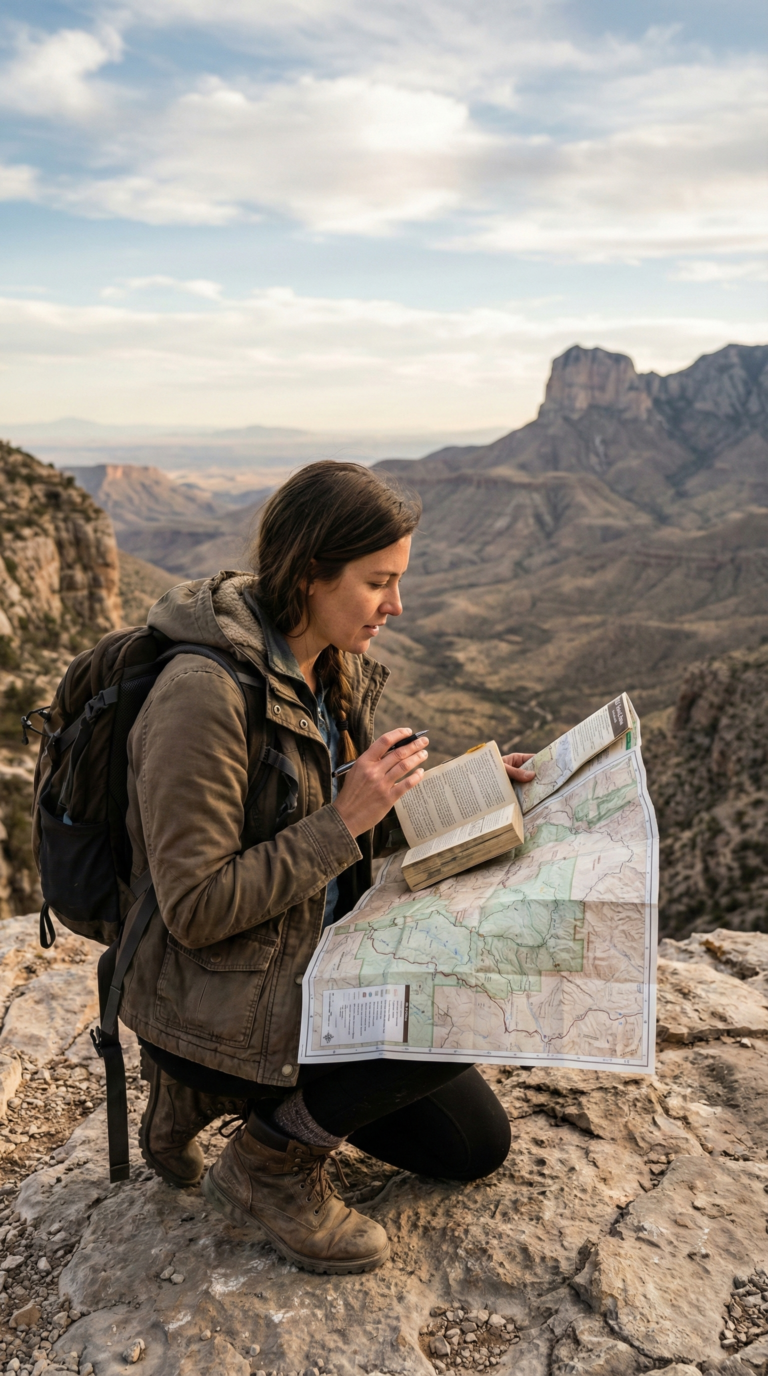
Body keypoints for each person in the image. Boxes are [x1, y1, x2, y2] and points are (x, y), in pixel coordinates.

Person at [117, 460, 535, 1276]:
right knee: (462, 1003)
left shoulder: (323, 662)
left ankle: (213, 1097)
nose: (396, 606)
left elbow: (351, 820)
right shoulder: (201, 695)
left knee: (474, 1146)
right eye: (378, 582)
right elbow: (195, 905)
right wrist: (345, 820)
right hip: (224, 990)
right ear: (311, 573)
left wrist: (476, 791)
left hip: (306, 961)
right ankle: (265, 1162)